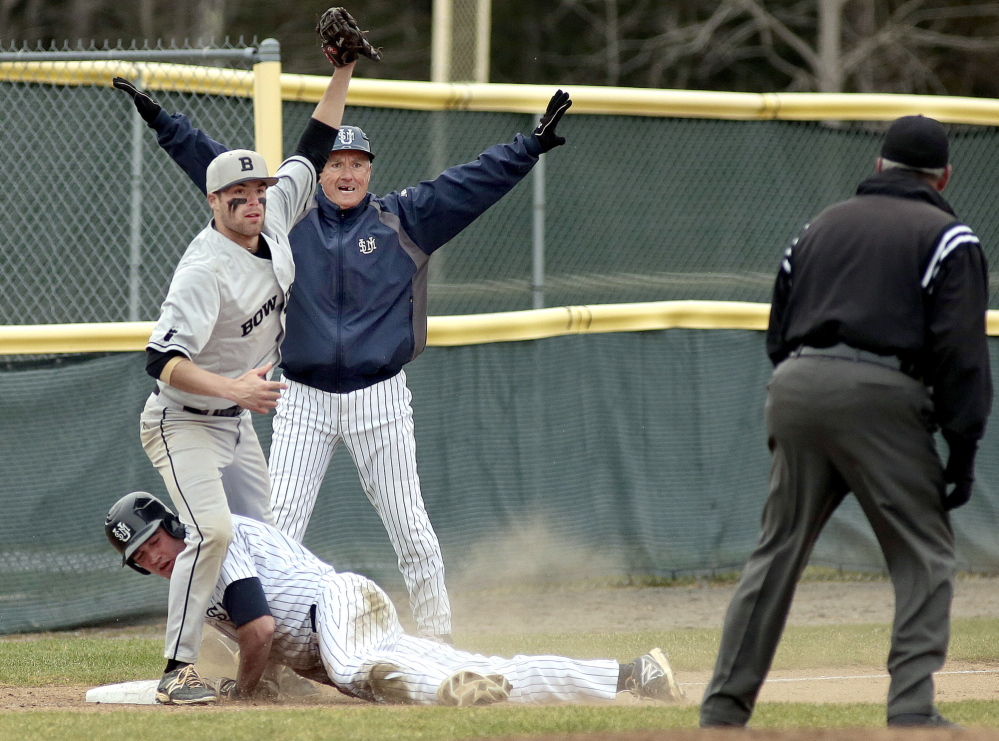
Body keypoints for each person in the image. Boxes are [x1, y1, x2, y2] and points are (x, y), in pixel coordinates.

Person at [116, 51, 573, 643]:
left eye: (359, 162)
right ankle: (278, 645)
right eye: (336, 162)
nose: (348, 172)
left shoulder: (403, 220)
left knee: (411, 528)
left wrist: (527, 147)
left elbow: (470, 184)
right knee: (275, 531)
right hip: (300, 397)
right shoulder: (284, 219)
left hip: (379, 397)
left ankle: (436, 642)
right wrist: (165, 124)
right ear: (318, 172)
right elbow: (218, 170)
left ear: (370, 171)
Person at [699, 115, 992, 729]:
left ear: (880, 166)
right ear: (943, 175)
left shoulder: (818, 226)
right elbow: (961, 354)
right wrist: (961, 450)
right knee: (924, 552)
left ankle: (724, 708)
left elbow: (778, 331)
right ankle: (911, 707)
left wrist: (807, 390)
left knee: (776, 551)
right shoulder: (949, 236)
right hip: (881, 394)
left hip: (797, 383)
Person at [110, 55, 358, 704]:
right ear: (213, 201)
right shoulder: (203, 270)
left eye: (258, 192)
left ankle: (264, 666)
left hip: (234, 421)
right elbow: (159, 360)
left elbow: (314, 143)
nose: (252, 203)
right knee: (213, 532)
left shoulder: (274, 213)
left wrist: (344, 69)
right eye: (236, 196)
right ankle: (176, 674)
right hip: (181, 420)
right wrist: (236, 390)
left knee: (260, 543)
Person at [104, 491, 685, 706]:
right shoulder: (192, 581)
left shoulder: (213, 539)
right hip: (343, 617)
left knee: (365, 673)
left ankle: (446, 695)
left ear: (174, 525)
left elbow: (257, 633)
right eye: (141, 558)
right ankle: (630, 675)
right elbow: (267, 644)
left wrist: (246, 692)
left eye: (154, 541)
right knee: (480, 668)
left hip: (335, 610)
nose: (154, 557)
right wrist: (277, 681)